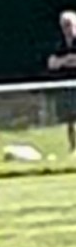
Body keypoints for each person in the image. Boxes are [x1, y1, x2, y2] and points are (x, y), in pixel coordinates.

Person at [46, 10, 76, 154]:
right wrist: (67, 60)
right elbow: (52, 64)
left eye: (69, 24)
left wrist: (63, 61)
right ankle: (73, 147)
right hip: (64, 86)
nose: (67, 28)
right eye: (64, 25)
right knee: (69, 119)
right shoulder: (58, 44)